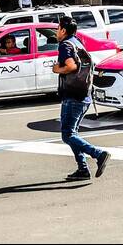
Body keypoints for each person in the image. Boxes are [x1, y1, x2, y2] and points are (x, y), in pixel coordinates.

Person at [51, 14, 110, 182]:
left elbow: (71, 66)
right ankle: (83, 169)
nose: (56, 31)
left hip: (73, 96)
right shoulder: (77, 42)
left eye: (58, 28)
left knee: (67, 135)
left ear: (63, 30)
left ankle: (98, 154)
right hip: (84, 95)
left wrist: (57, 69)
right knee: (72, 133)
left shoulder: (65, 45)